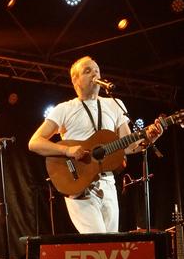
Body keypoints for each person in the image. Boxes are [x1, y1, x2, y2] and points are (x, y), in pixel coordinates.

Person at [28, 56, 161, 233]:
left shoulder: (115, 105)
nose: (94, 73)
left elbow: (128, 146)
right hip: (79, 184)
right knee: (98, 242)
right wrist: (67, 150)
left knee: (111, 246)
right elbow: (35, 142)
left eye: (97, 70)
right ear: (75, 80)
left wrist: (151, 137)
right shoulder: (64, 109)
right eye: (87, 71)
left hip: (108, 183)